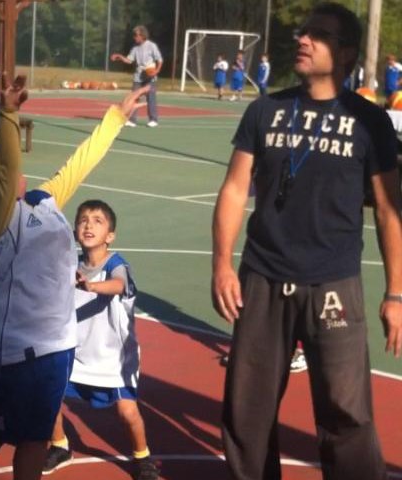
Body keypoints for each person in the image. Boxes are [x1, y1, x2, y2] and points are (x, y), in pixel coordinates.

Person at [211, 3, 402, 480]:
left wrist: (396, 293)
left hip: (333, 282)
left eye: (318, 35)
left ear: (346, 52)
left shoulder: (370, 121)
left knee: (346, 414)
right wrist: (222, 264)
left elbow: (387, 210)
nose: (303, 39)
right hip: (262, 279)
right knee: (247, 412)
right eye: (302, 32)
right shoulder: (265, 110)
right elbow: (235, 188)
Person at [0, 76, 150, 480]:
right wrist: (8, 114)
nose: (9, 168)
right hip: (15, 350)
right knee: (2, 431)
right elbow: (8, 168)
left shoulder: (42, 201)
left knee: (29, 437)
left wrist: (115, 119)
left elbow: (79, 163)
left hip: (55, 347)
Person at [43, 199, 159, 480]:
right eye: (83, 220)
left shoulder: (117, 265)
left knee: (127, 412)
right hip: (76, 351)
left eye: (97, 221)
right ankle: (60, 445)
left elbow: (119, 285)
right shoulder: (69, 265)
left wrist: (92, 286)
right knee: (49, 397)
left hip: (113, 358)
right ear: (75, 231)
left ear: (110, 236)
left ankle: (142, 457)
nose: (88, 225)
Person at [110, 25, 162, 128]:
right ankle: (132, 120)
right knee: (133, 98)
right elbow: (129, 60)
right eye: (134, 35)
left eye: (136, 35)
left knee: (151, 98)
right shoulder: (135, 48)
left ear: (142, 35)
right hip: (138, 77)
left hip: (150, 77)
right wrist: (119, 57)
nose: (134, 37)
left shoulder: (151, 46)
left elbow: (159, 60)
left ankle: (153, 119)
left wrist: (156, 71)